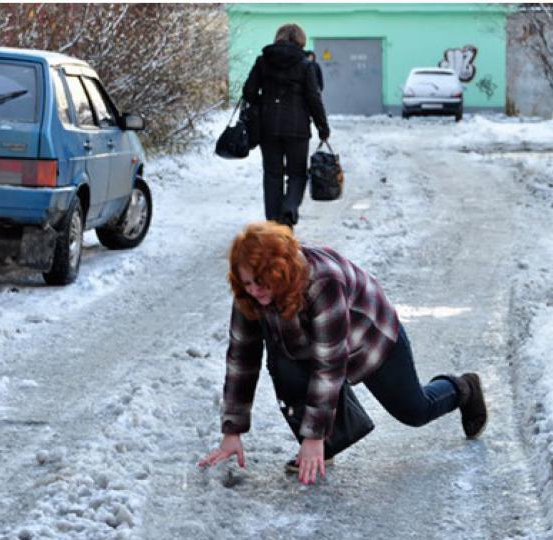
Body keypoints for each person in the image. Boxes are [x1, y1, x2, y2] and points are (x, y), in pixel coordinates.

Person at [198, 221, 488, 485]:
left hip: (368, 338)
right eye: (247, 282)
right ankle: (326, 442)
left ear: (279, 270)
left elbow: (330, 364)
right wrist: (232, 431)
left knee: (415, 411)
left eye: (261, 282)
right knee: (284, 362)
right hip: (310, 343)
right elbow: (241, 358)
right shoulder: (249, 294)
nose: (254, 291)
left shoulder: (323, 281)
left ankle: (464, 388)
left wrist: (312, 436)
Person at [243, 24, 330, 229]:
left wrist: (262, 105)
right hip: (298, 128)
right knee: (297, 173)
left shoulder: (263, 61)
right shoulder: (305, 65)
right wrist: (322, 127)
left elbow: (249, 91)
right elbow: (313, 97)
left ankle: (273, 223)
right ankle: (289, 209)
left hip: (268, 127)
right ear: (301, 40)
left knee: (272, 174)